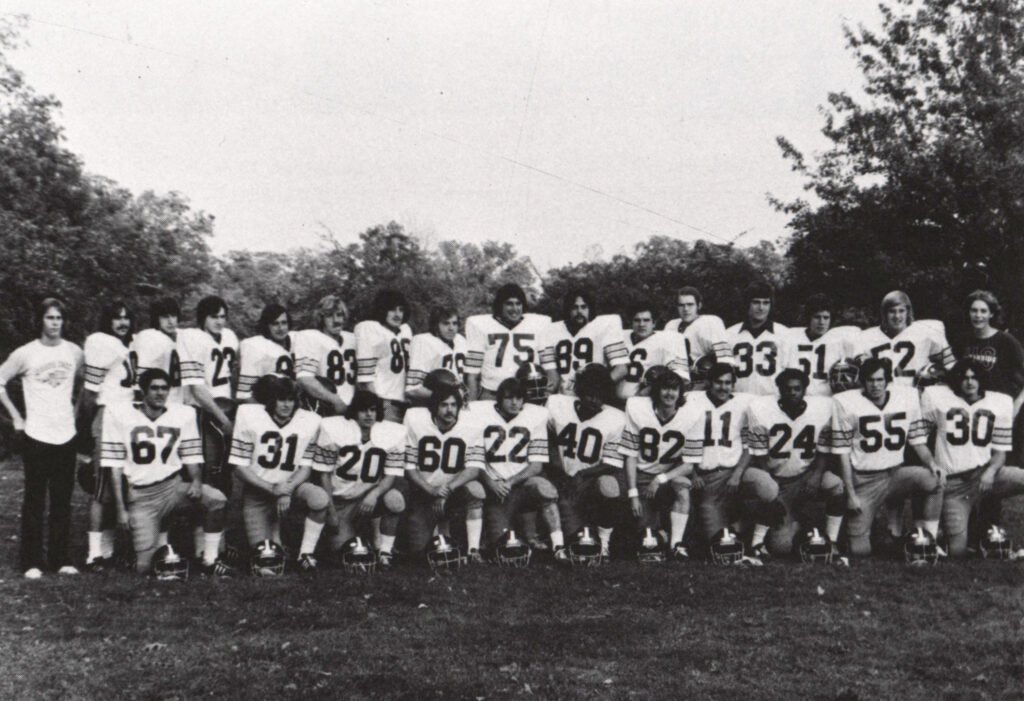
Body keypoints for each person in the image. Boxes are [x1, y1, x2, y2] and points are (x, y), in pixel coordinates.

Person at [104, 369, 228, 575]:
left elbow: (191, 455)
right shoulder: (120, 415)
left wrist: (196, 481)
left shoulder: (182, 414)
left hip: (172, 488)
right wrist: (120, 509)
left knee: (216, 499)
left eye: (164, 388)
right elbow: (114, 466)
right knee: (145, 568)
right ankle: (142, 551)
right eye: (154, 388)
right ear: (143, 391)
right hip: (141, 497)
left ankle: (210, 559)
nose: (160, 393)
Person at [0, 298, 84, 579]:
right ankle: (31, 562)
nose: (55, 323)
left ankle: (60, 559)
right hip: (36, 435)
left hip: (66, 434)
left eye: (59, 318)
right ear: (40, 320)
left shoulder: (74, 352)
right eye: (50, 318)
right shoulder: (25, 354)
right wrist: (16, 416)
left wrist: (75, 410)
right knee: (35, 500)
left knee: (62, 500)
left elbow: (85, 383)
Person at [830, 357, 944, 556]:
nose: (875, 385)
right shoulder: (845, 403)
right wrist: (851, 494)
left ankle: (928, 540)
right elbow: (842, 453)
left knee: (936, 479)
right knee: (859, 551)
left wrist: (932, 463)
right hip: (864, 480)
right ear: (863, 382)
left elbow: (917, 440)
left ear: (887, 380)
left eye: (880, 380)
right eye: (870, 380)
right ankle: (860, 533)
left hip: (895, 474)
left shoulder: (906, 398)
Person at [921, 359, 1024, 557]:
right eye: (964, 377)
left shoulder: (999, 402)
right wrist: (932, 464)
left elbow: (1001, 452)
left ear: (982, 379)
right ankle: (947, 533)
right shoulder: (938, 398)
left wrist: (991, 472)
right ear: (956, 380)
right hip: (954, 485)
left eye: (974, 377)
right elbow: (918, 438)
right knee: (958, 552)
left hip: (985, 475)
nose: (969, 382)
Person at [229, 375, 327, 572]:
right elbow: (238, 466)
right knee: (265, 558)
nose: (286, 405)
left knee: (319, 499)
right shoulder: (249, 416)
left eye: (291, 400)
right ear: (271, 400)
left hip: (293, 488)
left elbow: (305, 468)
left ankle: (305, 554)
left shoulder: (310, 421)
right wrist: (272, 488)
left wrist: (286, 490)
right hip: (258, 492)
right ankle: (276, 541)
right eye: (281, 399)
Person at [745, 368, 844, 558]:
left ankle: (832, 540)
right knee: (781, 547)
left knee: (835, 484)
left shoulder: (821, 409)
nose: (792, 393)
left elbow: (824, 448)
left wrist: (816, 475)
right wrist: (772, 493)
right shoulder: (762, 409)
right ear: (780, 390)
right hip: (777, 479)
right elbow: (760, 455)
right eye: (787, 389)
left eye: (797, 389)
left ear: (805, 389)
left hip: (804, 475)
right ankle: (789, 526)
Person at [951, 290, 1024, 536]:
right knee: (970, 464)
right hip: (971, 414)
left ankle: (990, 528)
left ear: (992, 313)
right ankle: (967, 522)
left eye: (983, 311)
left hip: (998, 415)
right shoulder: (963, 340)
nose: (978, 315)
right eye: (974, 310)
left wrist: (1014, 408)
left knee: (994, 468)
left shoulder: (1005, 341)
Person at [685, 363, 777, 547]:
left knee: (767, 487)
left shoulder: (743, 404)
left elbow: (748, 445)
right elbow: (682, 440)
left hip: (734, 472)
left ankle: (749, 531)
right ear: (709, 383)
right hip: (707, 477)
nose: (723, 387)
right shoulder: (692, 400)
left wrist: (738, 473)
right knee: (715, 539)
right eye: (718, 382)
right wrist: (693, 473)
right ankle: (735, 528)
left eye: (728, 383)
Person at [471, 378, 564, 557]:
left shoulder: (535, 416)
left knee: (545, 488)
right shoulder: (480, 414)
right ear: (499, 399)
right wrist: (491, 482)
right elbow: (474, 460)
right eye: (509, 398)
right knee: (500, 542)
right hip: (494, 488)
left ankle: (559, 547)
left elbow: (536, 465)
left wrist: (510, 481)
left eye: (519, 398)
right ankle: (511, 536)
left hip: (520, 485)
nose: (515, 402)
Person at [314, 390, 406, 567]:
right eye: (363, 410)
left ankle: (384, 551)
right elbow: (323, 474)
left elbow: (391, 475)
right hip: (341, 501)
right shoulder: (336, 430)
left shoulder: (390, 433)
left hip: (367, 499)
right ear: (354, 412)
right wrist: (330, 510)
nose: (369, 414)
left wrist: (375, 495)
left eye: (372, 410)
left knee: (395, 499)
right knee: (342, 552)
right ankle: (365, 536)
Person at [620, 367, 704, 559]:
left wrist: (660, 479)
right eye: (665, 388)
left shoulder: (692, 414)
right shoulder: (638, 409)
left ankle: (677, 545)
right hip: (641, 476)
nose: (669, 393)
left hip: (668, 476)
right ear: (657, 391)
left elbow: (689, 464)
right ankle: (660, 533)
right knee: (646, 537)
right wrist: (632, 493)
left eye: (674, 389)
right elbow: (630, 454)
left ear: (680, 393)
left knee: (683, 485)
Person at [546, 364, 626, 558]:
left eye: (599, 395)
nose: (594, 400)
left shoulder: (616, 418)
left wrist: (582, 475)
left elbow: (612, 462)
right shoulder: (558, 405)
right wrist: (561, 473)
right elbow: (549, 441)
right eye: (590, 394)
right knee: (577, 541)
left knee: (609, 485)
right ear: (580, 391)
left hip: (591, 481)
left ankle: (605, 545)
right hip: (563, 479)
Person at [79, 301, 136, 570]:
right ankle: (93, 554)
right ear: (107, 321)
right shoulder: (99, 341)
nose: (122, 323)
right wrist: (89, 426)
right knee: (102, 487)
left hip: (127, 419)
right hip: (107, 418)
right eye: (116, 318)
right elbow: (90, 392)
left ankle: (109, 550)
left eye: (126, 318)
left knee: (120, 485)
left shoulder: (126, 345)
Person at [403, 385, 487, 561]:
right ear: (434, 407)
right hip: (424, 492)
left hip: (454, 492)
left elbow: (474, 468)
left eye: (454, 405)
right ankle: (438, 530)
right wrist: (431, 491)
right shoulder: (416, 421)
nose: (450, 410)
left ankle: (473, 550)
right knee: (419, 550)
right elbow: (409, 467)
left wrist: (446, 489)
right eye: (444, 405)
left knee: (476, 488)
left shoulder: (472, 425)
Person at [176, 295, 238, 501]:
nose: (219, 321)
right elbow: (197, 388)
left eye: (223, 316)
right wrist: (223, 419)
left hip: (224, 410)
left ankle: (217, 525)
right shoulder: (192, 337)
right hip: (203, 412)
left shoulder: (229, 337)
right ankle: (196, 526)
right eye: (214, 317)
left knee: (224, 470)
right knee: (205, 469)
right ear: (203, 318)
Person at [850, 290, 954, 387]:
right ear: (884, 313)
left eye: (901, 311)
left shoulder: (927, 332)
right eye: (892, 311)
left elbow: (949, 365)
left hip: (916, 392)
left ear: (908, 312)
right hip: (882, 395)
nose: (897, 316)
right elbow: (859, 372)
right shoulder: (866, 336)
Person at [465, 283, 551, 400]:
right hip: (492, 394)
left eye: (518, 304)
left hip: (526, 397)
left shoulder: (539, 325)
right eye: (509, 304)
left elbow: (551, 369)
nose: (515, 309)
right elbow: (472, 374)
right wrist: (472, 405)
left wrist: (545, 393)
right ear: (500, 306)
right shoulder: (480, 326)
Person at [540, 289, 627, 395]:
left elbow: (621, 368)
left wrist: (599, 388)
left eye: (584, 307)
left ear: (590, 309)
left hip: (593, 396)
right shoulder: (552, 330)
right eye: (574, 307)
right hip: (564, 395)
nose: (579, 311)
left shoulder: (603, 326)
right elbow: (552, 374)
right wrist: (547, 393)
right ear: (568, 310)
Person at [780, 293, 859, 397]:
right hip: (797, 398)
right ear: (808, 318)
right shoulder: (792, 336)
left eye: (826, 318)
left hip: (826, 399)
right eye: (817, 317)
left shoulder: (839, 338)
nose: (822, 322)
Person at [293, 294, 358, 415]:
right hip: (324, 408)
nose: (336, 320)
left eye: (339, 315)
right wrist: (336, 401)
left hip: (353, 409)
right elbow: (304, 379)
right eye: (329, 316)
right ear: (321, 318)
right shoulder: (310, 337)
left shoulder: (352, 339)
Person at [354, 289, 413, 421]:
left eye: (401, 309)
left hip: (406, 403)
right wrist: (376, 407)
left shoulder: (405, 330)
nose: (397, 314)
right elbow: (365, 378)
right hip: (384, 401)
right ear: (382, 309)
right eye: (392, 309)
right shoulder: (369, 328)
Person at [726, 281, 789, 396]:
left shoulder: (784, 333)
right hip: (739, 397)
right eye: (756, 302)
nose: (761, 308)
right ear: (747, 304)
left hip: (771, 399)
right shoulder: (730, 333)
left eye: (766, 303)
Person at [617, 303, 689, 401]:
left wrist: (649, 390)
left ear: (654, 323)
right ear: (631, 322)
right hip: (615, 401)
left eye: (646, 320)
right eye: (637, 320)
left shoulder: (667, 340)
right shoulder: (621, 337)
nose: (641, 324)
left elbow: (679, 376)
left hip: (646, 402)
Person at [406, 306, 468, 403]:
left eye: (454, 323)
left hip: (457, 405)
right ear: (435, 325)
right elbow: (413, 389)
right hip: (431, 406)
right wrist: (444, 398)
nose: (451, 328)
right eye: (446, 323)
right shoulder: (423, 342)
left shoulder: (461, 340)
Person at [663, 286, 731, 372]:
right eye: (681, 305)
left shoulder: (710, 322)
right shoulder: (670, 326)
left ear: (699, 305)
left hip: (702, 380)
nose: (686, 309)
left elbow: (724, 359)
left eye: (690, 304)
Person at [238, 304, 294, 401]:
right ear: (266, 326)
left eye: (284, 323)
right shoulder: (256, 347)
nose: (280, 328)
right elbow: (244, 394)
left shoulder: (294, 341)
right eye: (275, 324)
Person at [132, 297, 183, 403]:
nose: (170, 321)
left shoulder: (181, 337)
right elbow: (141, 380)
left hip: (175, 400)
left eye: (173, 316)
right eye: (165, 317)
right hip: (155, 403)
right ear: (156, 318)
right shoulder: (149, 338)